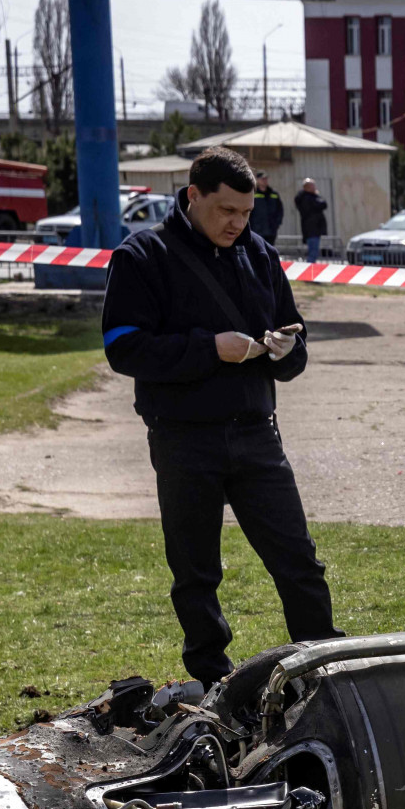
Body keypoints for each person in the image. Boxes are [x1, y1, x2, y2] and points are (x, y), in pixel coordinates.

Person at [102, 146, 341, 689]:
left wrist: (286, 350)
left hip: (257, 434)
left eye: (246, 213)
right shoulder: (142, 256)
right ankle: (213, 681)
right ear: (193, 197)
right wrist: (210, 349)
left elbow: (296, 339)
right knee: (196, 574)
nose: (237, 224)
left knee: (299, 564)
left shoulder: (259, 255)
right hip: (184, 438)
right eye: (226, 211)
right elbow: (124, 348)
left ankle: (322, 666)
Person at [294, 178, 328, 263]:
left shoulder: (307, 197)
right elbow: (322, 204)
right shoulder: (306, 198)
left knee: (313, 251)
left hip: (313, 229)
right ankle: (309, 272)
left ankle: (310, 271)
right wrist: (317, 195)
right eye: (312, 186)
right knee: (313, 252)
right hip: (312, 229)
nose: (314, 188)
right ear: (307, 187)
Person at [249, 173, 284, 245]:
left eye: (266, 179)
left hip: (271, 229)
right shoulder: (252, 193)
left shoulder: (274, 194)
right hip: (257, 229)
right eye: (262, 179)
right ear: (257, 180)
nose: (265, 181)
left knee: (270, 250)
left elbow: (280, 209)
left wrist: (277, 223)